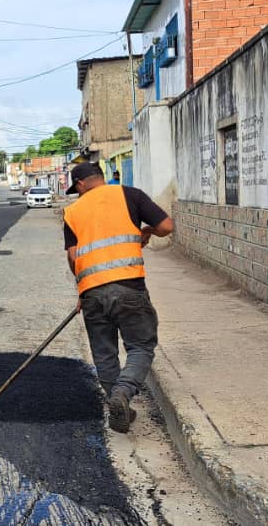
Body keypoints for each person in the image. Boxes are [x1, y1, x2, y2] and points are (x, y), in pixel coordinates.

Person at [63, 162, 174, 433]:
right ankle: (122, 395)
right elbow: (167, 226)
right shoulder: (130, 194)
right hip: (128, 286)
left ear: (80, 185)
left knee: (104, 352)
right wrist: (147, 231)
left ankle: (116, 401)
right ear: (101, 177)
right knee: (140, 346)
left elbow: (73, 256)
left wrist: (84, 289)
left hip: (92, 292)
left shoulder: (72, 211)